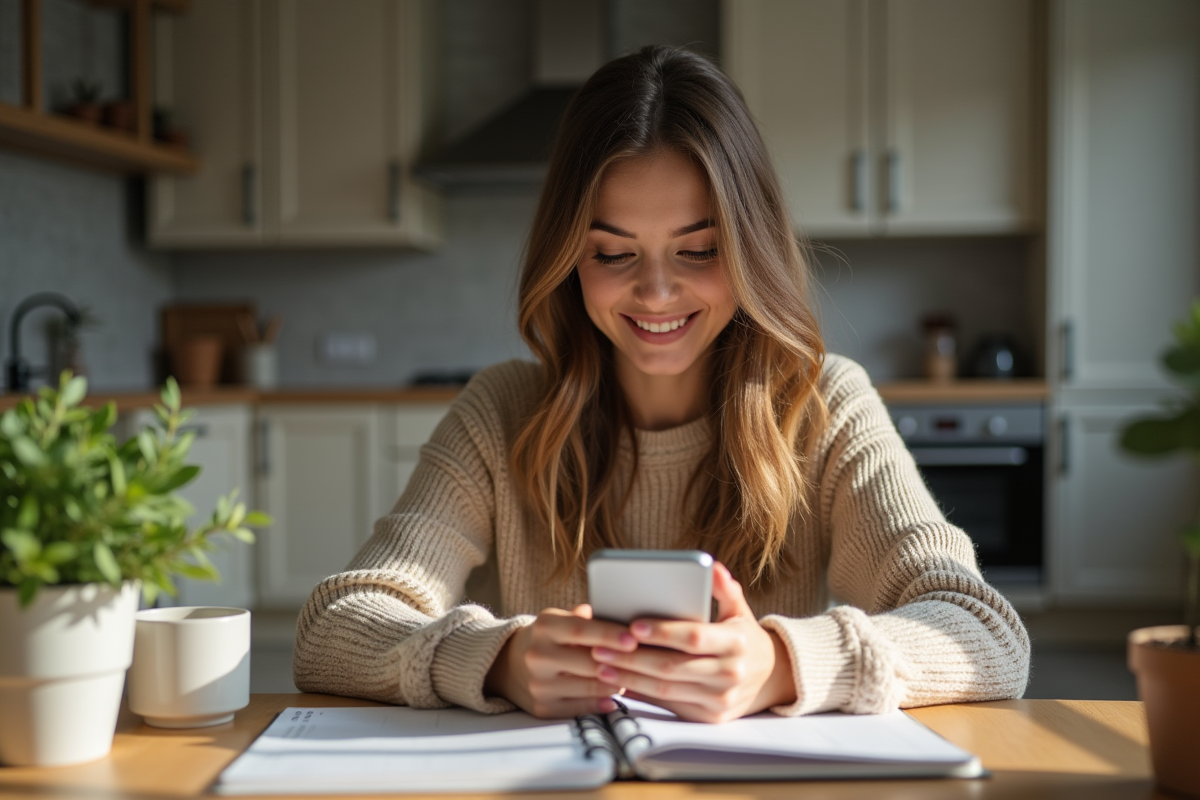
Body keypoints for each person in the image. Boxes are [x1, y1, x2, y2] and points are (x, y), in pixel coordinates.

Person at [293, 45, 1030, 723]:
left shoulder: (825, 406)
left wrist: (779, 665)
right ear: (567, 260)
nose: (654, 293)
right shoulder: (501, 412)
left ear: (750, 248)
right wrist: (497, 661)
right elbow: (333, 626)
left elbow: (985, 631)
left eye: (699, 249)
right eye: (613, 253)